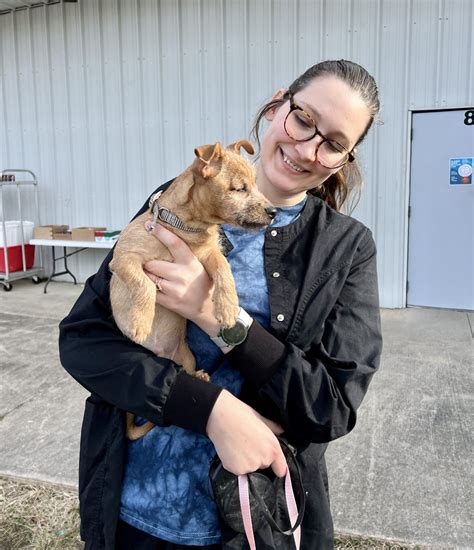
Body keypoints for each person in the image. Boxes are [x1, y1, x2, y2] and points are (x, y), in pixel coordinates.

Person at [59, 59, 383, 550]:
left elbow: (330, 408)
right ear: (278, 107)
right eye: (303, 120)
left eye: (334, 143)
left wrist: (216, 318)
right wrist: (211, 410)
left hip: (251, 526)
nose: (308, 149)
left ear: (344, 159)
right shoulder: (168, 209)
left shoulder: (346, 249)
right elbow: (84, 339)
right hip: (131, 516)